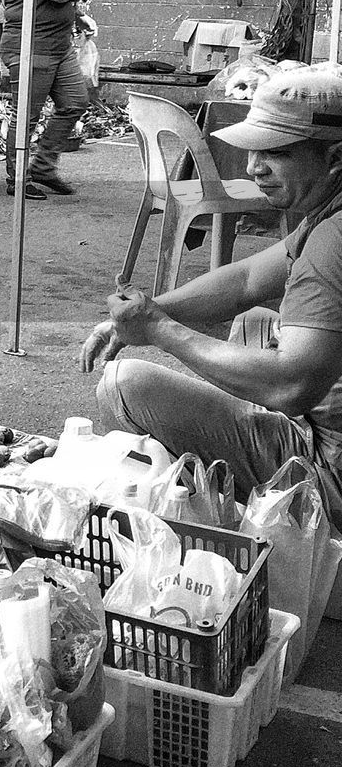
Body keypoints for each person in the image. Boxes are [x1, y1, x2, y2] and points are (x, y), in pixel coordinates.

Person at [80, 66, 342, 528]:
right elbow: (244, 280)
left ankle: (250, 526)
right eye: (253, 151)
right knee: (255, 322)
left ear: (335, 158)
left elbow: (291, 386)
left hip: (331, 476)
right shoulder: (327, 211)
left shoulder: (333, 242)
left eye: (275, 154)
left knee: (124, 385)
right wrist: (154, 311)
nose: (252, 168)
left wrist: (160, 332)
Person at [0, 0, 90, 201]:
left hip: (58, 46)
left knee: (75, 101)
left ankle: (43, 167)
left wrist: (77, 17)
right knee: (25, 115)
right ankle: (18, 178)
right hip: (30, 47)